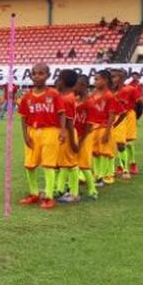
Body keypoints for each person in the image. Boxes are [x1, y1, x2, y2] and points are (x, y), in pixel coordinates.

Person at [18, 63, 66, 210]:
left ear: (48, 76)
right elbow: (23, 118)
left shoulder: (54, 94)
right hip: (33, 132)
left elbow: (62, 113)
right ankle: (34, 193)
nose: (37, 76)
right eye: (34, 73)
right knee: (29, 165)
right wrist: (25, 135)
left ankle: (49, 196)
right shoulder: (26, 96)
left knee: (48, 165)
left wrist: (63, 131)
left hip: (50, 131)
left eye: (41, 73)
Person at [53, 69, 80, 203]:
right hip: (63, 132)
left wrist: (73, 142)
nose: (56, 81)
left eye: (58, 78)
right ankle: (61, 188)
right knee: (63, 162)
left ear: (62, 81)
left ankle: (74, 193)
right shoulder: (63, 97)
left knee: (71, 163)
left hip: (67, 133)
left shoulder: (67, 99)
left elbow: (69, 121)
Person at [112, 69, 143, 178]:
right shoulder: (110, 91)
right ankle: (123, 167)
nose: (112, 79)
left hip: (129, 116)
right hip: (116, 117)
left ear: (122, 78)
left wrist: (137, 116)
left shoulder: (130, 89)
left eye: (115, 76)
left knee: (129, 142)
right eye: (112, 76)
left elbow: (141, 103)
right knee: (119, 143)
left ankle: (133, 163)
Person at [90, 70, 119, 186]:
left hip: (103, 127)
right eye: (95, 79)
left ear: (105, 80)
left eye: (97, 79)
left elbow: (112, 115)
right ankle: (97, 175)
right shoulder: (93, 93)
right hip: (93, 127)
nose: (95, 81)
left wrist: (107, 132)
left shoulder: (109, 96)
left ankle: (105, 176)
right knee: (95, 152)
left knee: (104, 152)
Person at [73, 75, 99, 201]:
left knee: (84, 164)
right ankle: (72, 189)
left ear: (83, 86)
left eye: (76, 85)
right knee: (73, 163)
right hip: (76, 135)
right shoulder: (75, 100)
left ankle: (92, 190)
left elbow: (89, 126)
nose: (74, 87)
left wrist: (81, 141)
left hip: (85, 136)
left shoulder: (90, 103)